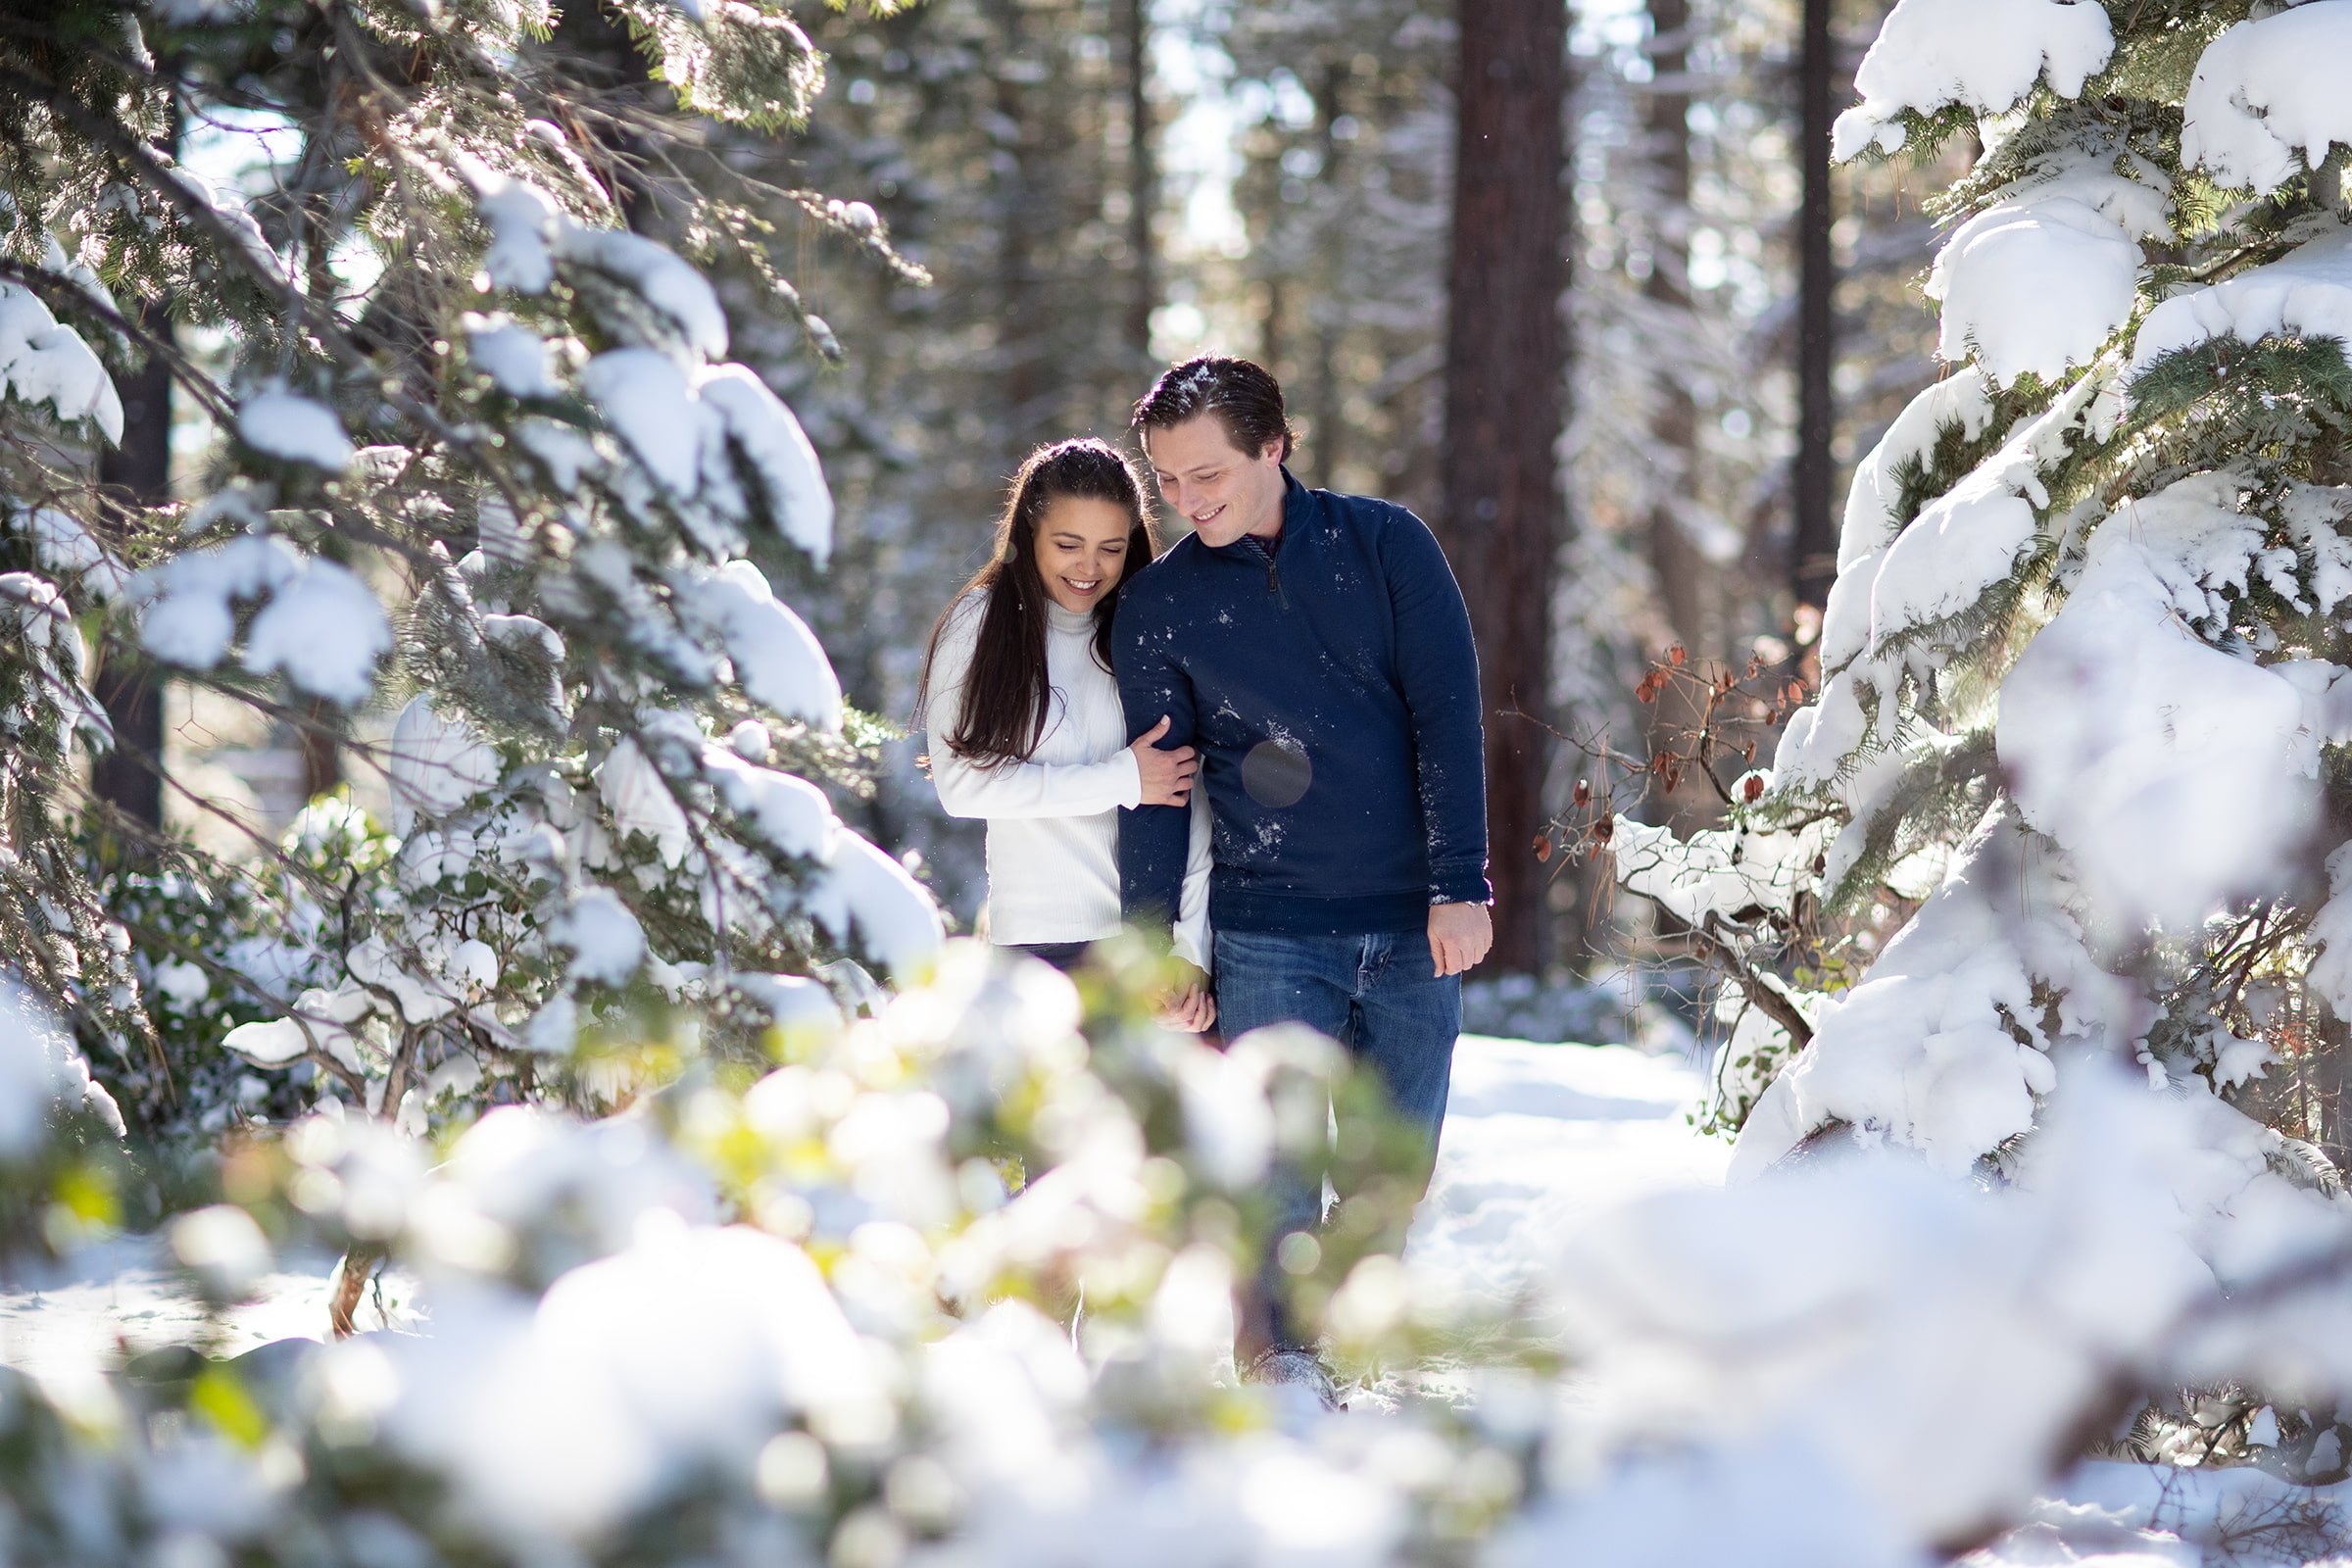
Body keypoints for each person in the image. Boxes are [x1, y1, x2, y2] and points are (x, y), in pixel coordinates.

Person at [1114, 357, 1492, 1408]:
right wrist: (1156, 947)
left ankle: (1336, 1324)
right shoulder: (1162, 606)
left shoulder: (1386, 546)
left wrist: (1461, 881)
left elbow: (1447, 720)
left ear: (1274, 445)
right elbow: (1155, 789)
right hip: (1269, 928)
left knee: (1392, 1176)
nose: (1188, 501)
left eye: (1209, 474)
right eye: (1170, 481)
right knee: (1271, 1175)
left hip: (1414, 924)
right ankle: (1279, 1366)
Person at [918, 437, 1215, 1019]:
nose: (1090, 567)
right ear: (1028, 534)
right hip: (1029, 951)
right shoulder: (979, 624)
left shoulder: (1146, 634)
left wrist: (1190, 951)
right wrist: (1122, 778)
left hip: (1139, 952)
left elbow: (1191, 797)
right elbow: (963, 788)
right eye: (1067, 544)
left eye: (1111, 547)